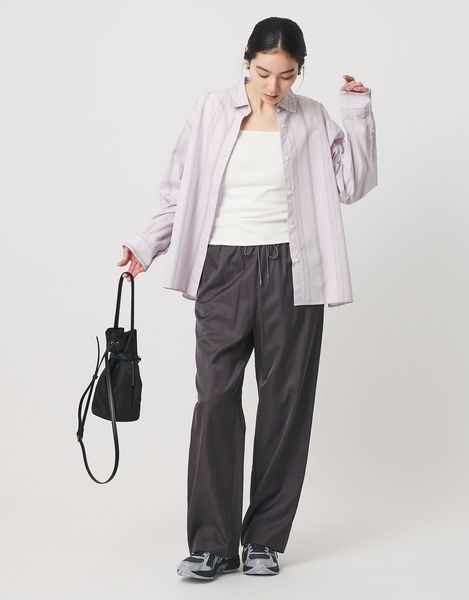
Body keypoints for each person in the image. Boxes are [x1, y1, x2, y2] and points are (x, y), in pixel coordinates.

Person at [118, 16, 377, 580]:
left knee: (285, 403)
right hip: (223, 268)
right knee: (215, 398)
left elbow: (352, 185)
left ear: (299, 71)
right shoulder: (211, 112)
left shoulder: (313, 117)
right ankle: (211, 544)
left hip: (295, 270)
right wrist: (146, 245)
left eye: (286, 75)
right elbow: (178, 192)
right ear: (246, 60)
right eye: (263, 73)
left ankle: (263, 540)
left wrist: (357, 112)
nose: (273, 86)